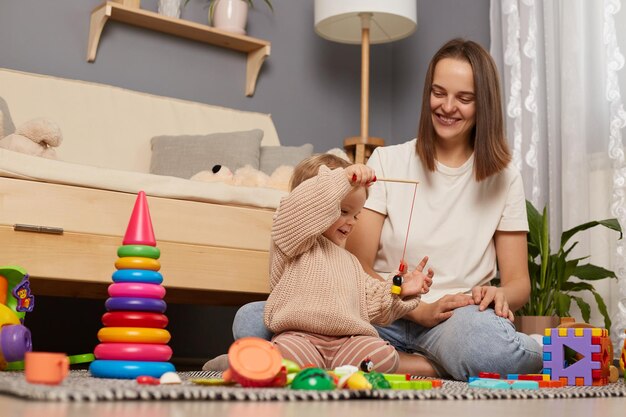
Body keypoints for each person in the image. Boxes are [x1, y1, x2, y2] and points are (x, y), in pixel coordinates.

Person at [229, 38, 543, 381]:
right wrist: (417, 309)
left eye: (464, 98)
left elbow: (517, 283)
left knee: (489, 347)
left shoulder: (505, 177)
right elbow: (360, 263)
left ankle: (394, 361)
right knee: (251, 320)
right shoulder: (388, 160)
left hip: (454, 322)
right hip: (375, 314)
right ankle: (428, 367)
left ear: (484, 104)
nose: (448, 106)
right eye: (439, 93)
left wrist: (499, 293)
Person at [264, 154, 432, 372]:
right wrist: (342, 179)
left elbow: (374, 303)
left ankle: (329, 369)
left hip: (347, 342)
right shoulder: (291, 240)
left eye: (356, 215)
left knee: (384, 355)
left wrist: (399, 289)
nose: (352, 222)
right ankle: (263, 363)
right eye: (343, 211)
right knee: (285, 353)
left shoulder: (350, 262)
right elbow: (301, 208)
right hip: (300, 338)